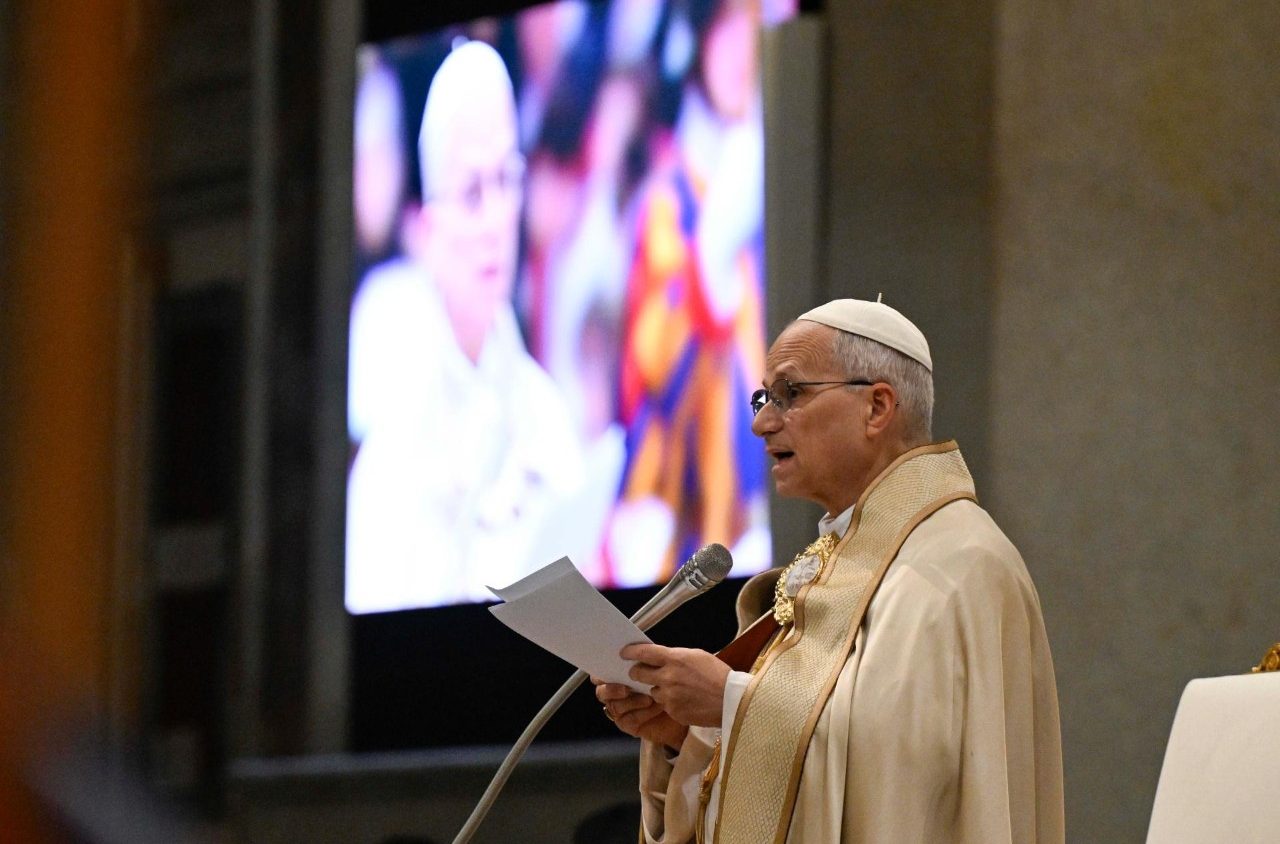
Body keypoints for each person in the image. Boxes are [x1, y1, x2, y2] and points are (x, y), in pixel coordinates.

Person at [595, 298, 1064, 842]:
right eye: (764, 397)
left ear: (877, 408)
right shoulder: (841, 560)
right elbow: (829, 741)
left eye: (790, 393)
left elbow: (910, 777)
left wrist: (730, 702)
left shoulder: (957, 565)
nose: (762, 423)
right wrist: (692, 731)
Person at [345, 41, 584, 612]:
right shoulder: (394, 450)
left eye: (506, 180)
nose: (496, 218)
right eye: (472, 193)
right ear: (428, 230)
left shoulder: (545, 414)